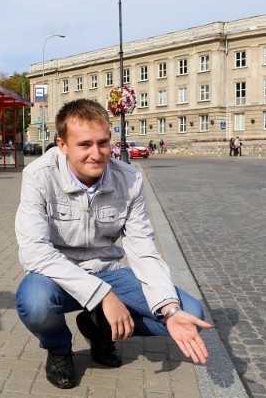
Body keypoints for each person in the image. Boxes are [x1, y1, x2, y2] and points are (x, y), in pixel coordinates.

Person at [14, 99, 212, 389]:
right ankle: (58, 350)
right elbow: (34, 252)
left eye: (103, 143)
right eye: (85, 145)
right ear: (62, 145)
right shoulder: (38, 176)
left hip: (108, 270)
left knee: (190, 314)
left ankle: (98, 327)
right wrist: (103, 295)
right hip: (58, 276)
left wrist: (168, 308)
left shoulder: (129, 179)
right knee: (34, 303)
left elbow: (143, 248)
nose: (97, 154)